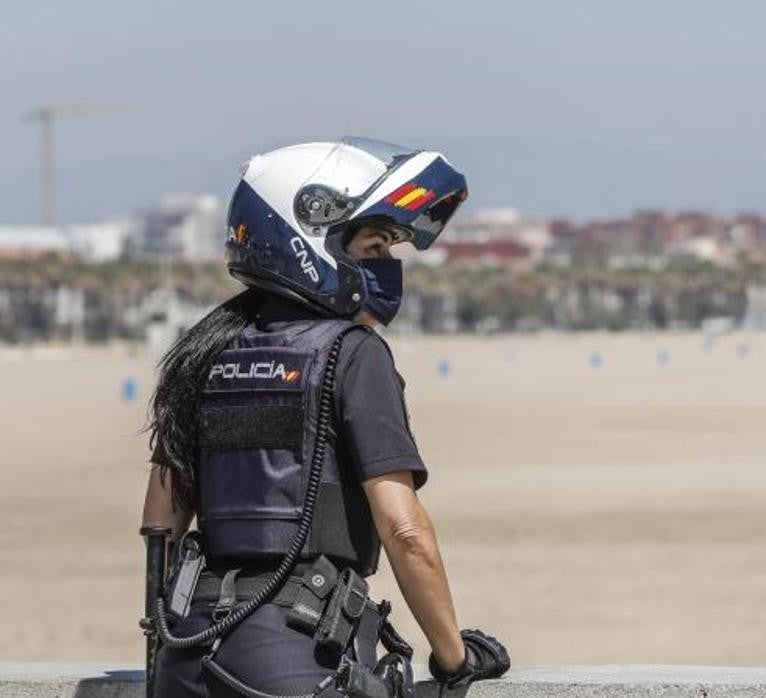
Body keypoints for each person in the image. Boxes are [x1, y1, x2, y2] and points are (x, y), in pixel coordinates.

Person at [140, 138, 509, 697]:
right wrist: (455, 658)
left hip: (187, 654)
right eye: (375, 247)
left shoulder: (204, 352)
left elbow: (161, 525)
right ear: (311, 241)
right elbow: (405, 532)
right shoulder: (352, 354)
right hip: (293, 658)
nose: (387, 267)